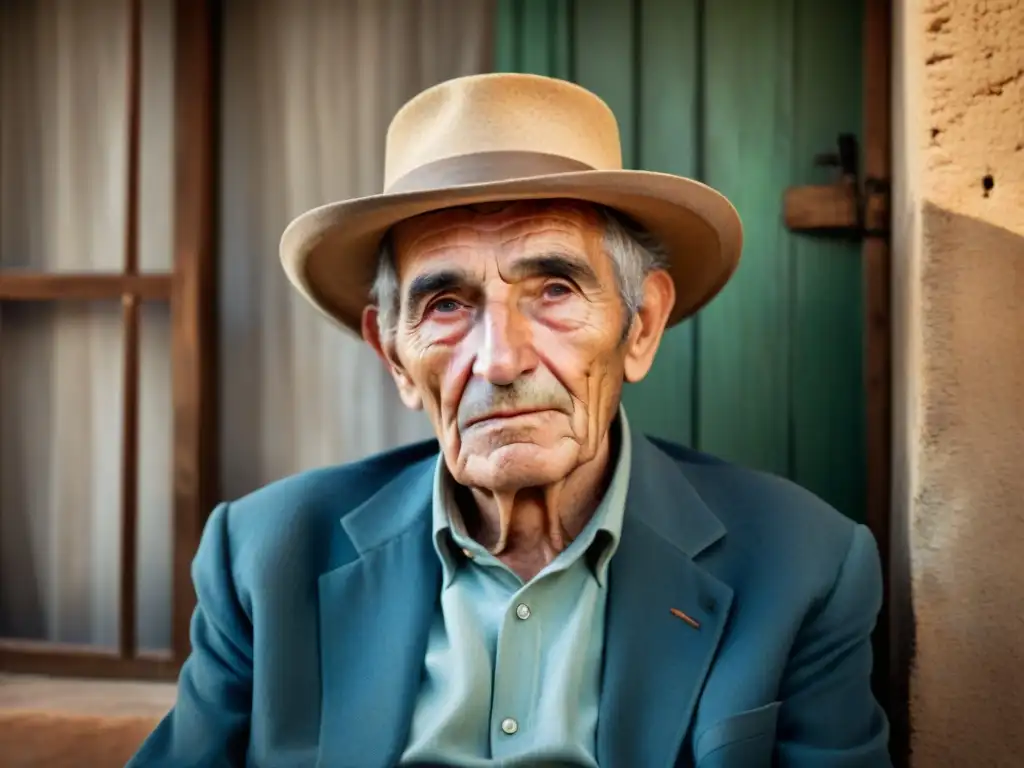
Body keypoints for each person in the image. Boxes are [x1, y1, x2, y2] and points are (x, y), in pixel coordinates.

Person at [128, 73, 891, 767]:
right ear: (394, 357)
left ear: (643, 326)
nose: (501, 360)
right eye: (447, 305)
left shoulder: (802, 566)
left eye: (555, 289)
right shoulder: (265, 559)